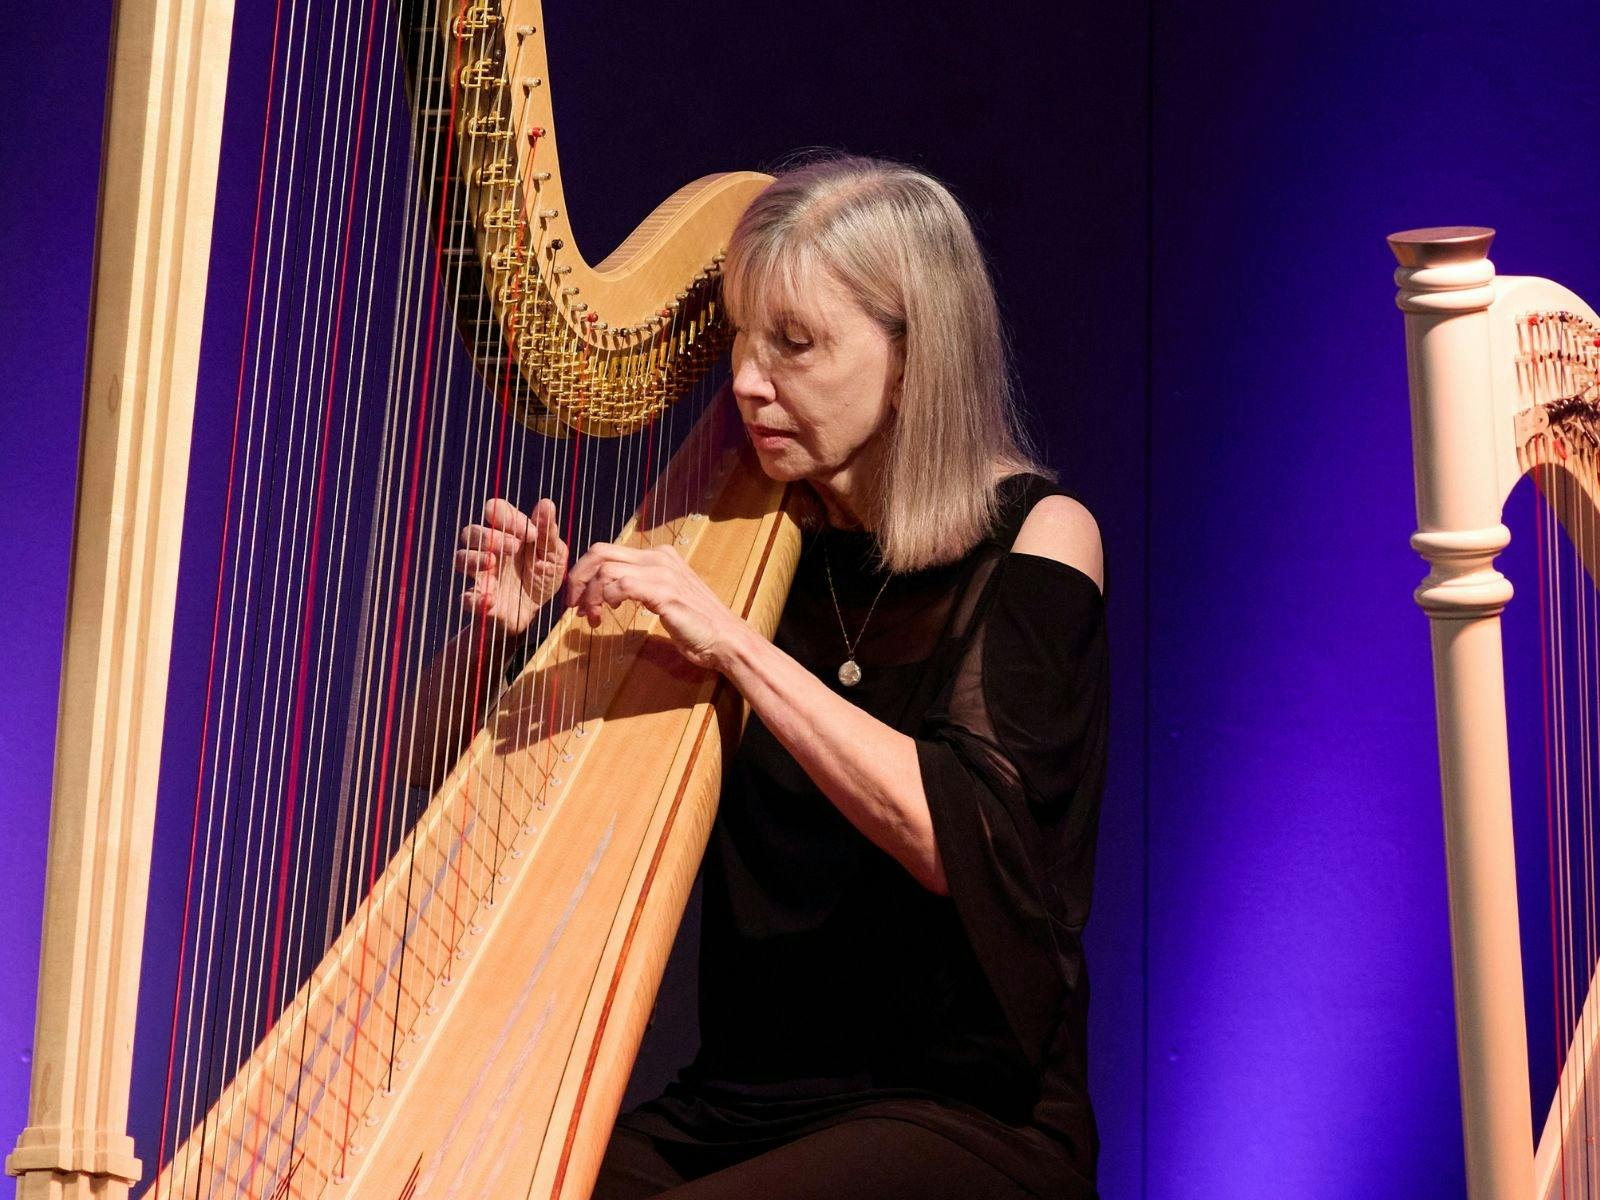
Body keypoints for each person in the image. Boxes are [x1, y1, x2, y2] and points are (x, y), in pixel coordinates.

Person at [435, 156, 1107, 1199]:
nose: (748, 380)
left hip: (960, 1113)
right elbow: (480, 796)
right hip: (738, 1104)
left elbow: (964, 840)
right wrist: (515, 642)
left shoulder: (1038, 543)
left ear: (909, 357)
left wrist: (738, 647)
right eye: (743, 339)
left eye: (794, 345)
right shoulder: (732, 548)